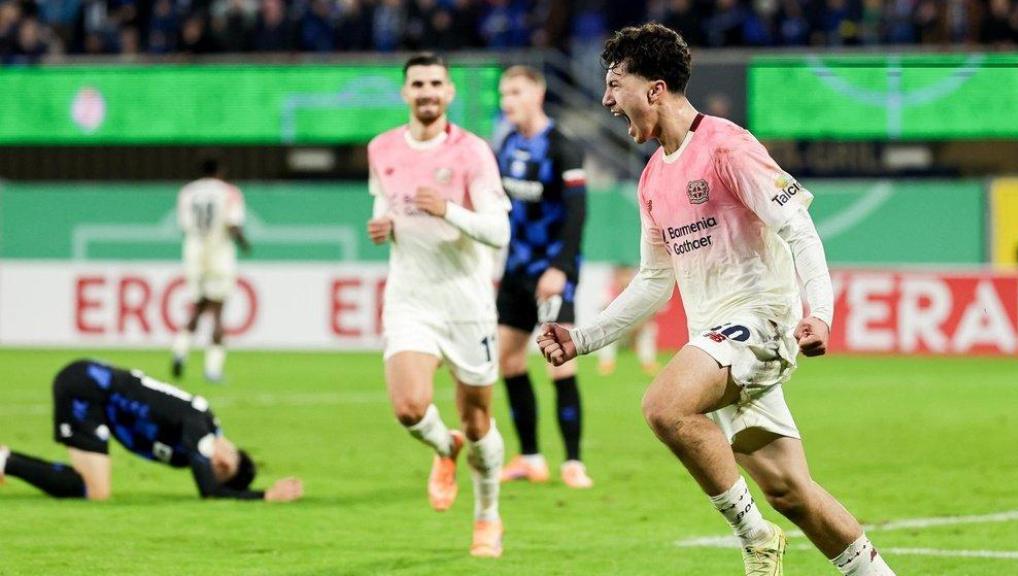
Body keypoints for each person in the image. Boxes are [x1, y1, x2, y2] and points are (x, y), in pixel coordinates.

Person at [537, 23, 896, 576]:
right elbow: (654, 281)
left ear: (655, 89)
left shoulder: (727, 146)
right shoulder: (652, 178)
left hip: (759, 325)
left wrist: (820, 313)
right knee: (791, 491)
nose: (606, 100)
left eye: (614, 85)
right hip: (718, 341)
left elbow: (799, 230)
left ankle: (756, 538)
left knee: (664, 406)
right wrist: (582, 339)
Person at [365, 53, 510, 558]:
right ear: (405, 93)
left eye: (435, 84)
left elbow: (498, 231)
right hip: (410, 299)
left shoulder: (472, 152)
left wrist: (448, 209)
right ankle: (443, 447)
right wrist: (383, 223)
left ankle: (488, 515)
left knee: (478, 422)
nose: (426, 92)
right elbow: (384, 200)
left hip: (466, 304)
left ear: (449, 92)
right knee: (409, 408)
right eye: (417, 84)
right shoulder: (381, 148)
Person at [0, 359, 303, 502]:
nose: (220, 461)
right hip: (88, 385)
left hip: (93, 396)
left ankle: (7, 461)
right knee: (97, 492)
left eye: (221, 470)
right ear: (230, 444)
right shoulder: (201, 424)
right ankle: (5, 460)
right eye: (229, 458)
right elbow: (209, 493)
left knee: (92, 488)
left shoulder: (185, 454)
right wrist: (265, 496)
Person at [493, 65, 592, 489]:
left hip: (551, 272)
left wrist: (560, 268)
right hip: (515, 270)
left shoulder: (561, 147)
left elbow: (577, 212)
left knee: (559, 362)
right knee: (508, 360)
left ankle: (573, 462)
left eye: (516, 92)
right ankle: (530, 457)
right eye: (503, 94)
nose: (507, 101)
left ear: (537, 93)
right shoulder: (507, 145)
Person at [171, 155, 250, 384]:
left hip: (194, 254)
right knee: (218, 310)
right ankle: (212, 369)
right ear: (220, 171)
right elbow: (233, 224)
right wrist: (244, 243)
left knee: (198, 306)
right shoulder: (229, 192)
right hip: (218, 254)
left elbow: (184, 226)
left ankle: (180, 351)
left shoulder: (187, 192)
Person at [596, 265, 660, 377]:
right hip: (616, 328)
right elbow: (605, 314)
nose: (625, 279)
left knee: (650, 329)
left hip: (636, 326)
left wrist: (637, 327)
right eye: (622, 275)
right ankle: (607, 364)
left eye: (627, 275)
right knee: (604, 331)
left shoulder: (640, 291)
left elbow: (649, 312)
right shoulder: (608, 291)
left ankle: (648, 363)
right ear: (616, 276)